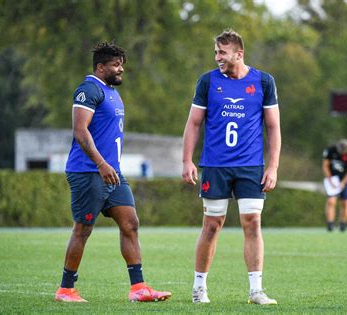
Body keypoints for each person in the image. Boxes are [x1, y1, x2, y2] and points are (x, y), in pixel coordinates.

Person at [54, 41, 171, 303]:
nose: (121, 70)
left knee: (130, 224)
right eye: (116, 65)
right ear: (100, 66)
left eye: (122, 65)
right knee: (83, 229)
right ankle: (65, 290)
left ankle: (138, 288)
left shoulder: (111, 92)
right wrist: (100, 163)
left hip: (112, 173)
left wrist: (109, 167)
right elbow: (80, 131)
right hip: (88, 171)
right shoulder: (88, 89)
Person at [182, 29, 281, 305]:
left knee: (252, 223)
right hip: (215, 166)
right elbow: (194, 123)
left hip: (250, 167)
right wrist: (187, 160)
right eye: (216, 52)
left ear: (239, 53)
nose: (217, 58)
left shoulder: (263, 81)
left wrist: (272, 167)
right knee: (212, 225)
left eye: (222, 53)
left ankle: (256, 290)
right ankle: (199, 287)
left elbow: (273, 126)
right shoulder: (207, 81)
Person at [322, 139, 347, 232]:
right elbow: (325, 165)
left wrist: (343, 182)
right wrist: (330, 179)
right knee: (331, 201)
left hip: (345, 180)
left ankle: (343, 224)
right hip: (332, 179)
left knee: (345, 202)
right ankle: (330, 224)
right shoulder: (330, 150)